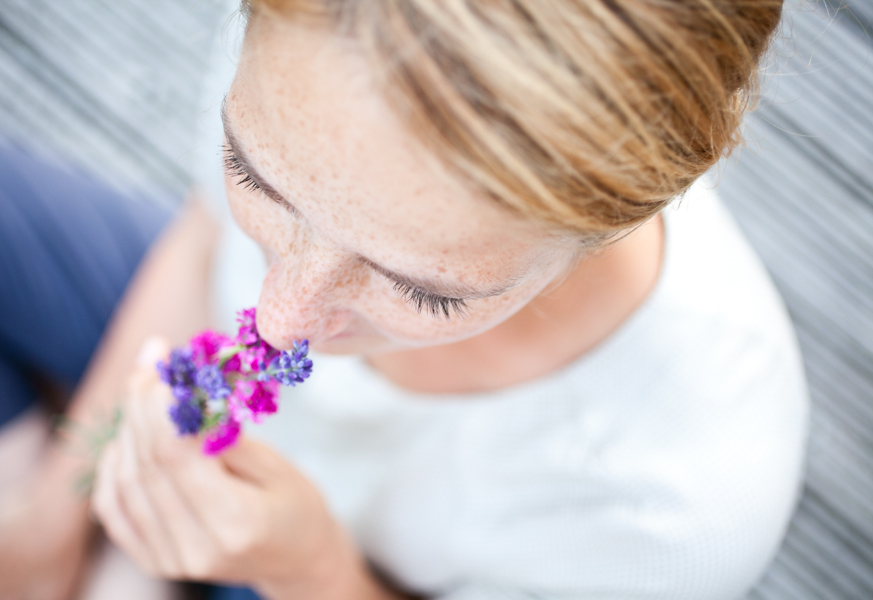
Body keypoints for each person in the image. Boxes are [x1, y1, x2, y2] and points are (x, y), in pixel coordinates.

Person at [0, 1, 809, 599]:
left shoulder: (675, 506)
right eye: (255, 174)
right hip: (175, 357)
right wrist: (54, 508)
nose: (277, 322)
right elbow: (203, 239)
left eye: (423, 288)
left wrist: (310, 564)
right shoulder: (324, 39)